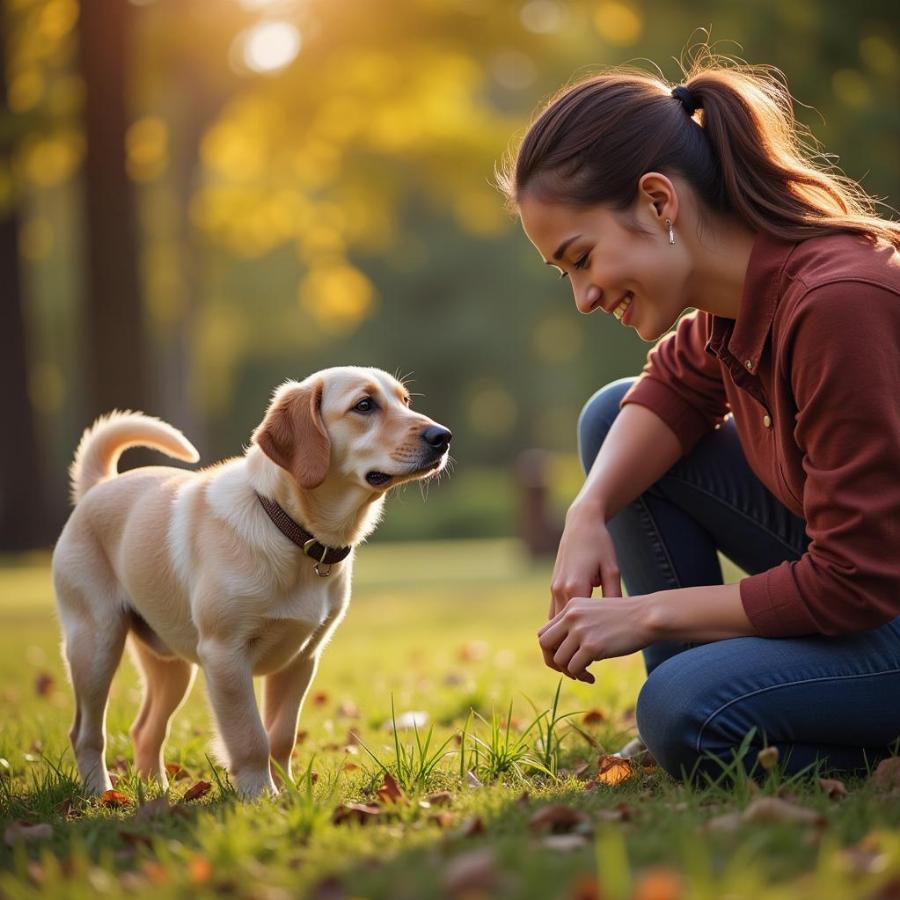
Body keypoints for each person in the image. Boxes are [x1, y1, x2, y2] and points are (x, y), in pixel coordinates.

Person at [497, 57, 900, 781]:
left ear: (658, 202)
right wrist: (588, 509)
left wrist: (647, 614)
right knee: (610, 418)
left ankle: (715, 709)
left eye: (582, 258)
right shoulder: (735, 302)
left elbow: (854, 580)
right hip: (870, 595)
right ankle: (704, 699)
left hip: (878, 602)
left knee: (684, 707)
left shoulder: (838, 302)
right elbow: (671, 391)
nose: (585, 297)